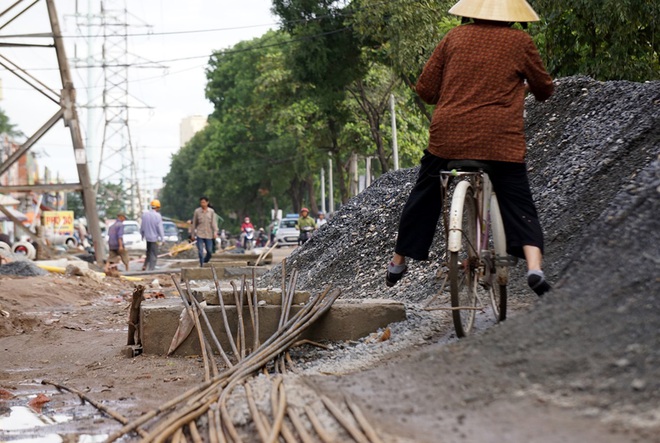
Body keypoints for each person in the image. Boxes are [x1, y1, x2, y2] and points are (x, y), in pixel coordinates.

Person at [386, 0, 554, 296]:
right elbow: (544, 88)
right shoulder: (521, 41)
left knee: (425, 192)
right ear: (514, 17)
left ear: (470, 11)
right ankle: (534, 268)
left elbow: (425, 89)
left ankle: (398, 260)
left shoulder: (455, 37)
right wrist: (524, 87)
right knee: (518, 200)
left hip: (449, 138)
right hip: (500, 142)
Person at [191, 196, 218, 267]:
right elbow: (194, 223)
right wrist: (192, 234)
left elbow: (214, 223)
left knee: (209, 251)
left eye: (204, 202)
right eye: (201, 202)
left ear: (207, 203)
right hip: (200, 234)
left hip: (209, 234)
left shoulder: (211, 211)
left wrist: (215, 232)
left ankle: (205, 260)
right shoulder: (197, 211)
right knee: (200, 251)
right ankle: (201, 264)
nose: (202, 204)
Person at [141, 199, 165, 271]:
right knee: (153, 254)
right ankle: (151, 269)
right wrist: (162, 239)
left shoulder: (145, 215)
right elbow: (160, 228)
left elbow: (142, 226)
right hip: (154, 238)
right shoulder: (158, 216)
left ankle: (145, 265)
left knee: (148, 252)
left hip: (147, 237)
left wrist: (142, 235)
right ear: (157, 207)